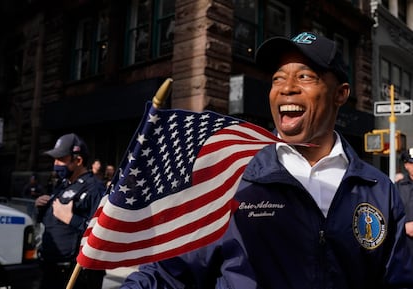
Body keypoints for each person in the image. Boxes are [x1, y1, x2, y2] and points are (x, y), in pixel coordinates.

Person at [120, 32, 413, 289]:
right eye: (277, 78)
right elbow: (170, 272)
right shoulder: (231, 178)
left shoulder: (379, 190)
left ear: (340, 94)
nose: (287, 88)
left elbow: (399, 280)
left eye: (305, 76)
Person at [35, 133, 106, 289]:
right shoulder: (62, 185)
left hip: (74, 274)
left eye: (61, 159)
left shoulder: (94, 188)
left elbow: (101, 232)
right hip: (50, 269)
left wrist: (70, 218)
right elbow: (51, 222)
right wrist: (41, 208)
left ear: (78, 160)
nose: (56, 164)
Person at [396, 147, 413, 253]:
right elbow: (390, 215)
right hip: (405, 247)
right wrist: (404, 226)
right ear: (406, 165)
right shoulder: (398, 187)